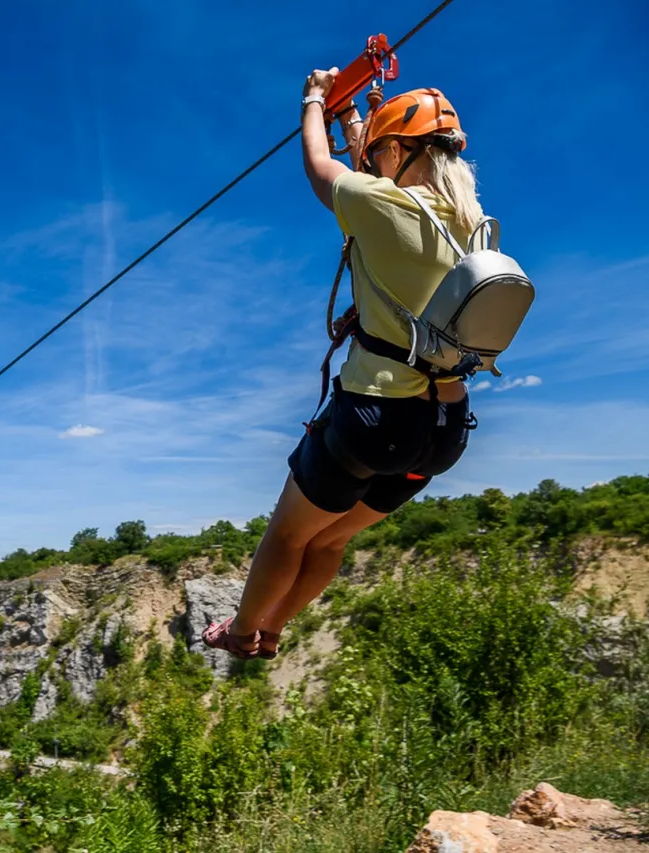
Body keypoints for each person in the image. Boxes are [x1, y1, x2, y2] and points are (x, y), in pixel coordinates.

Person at [203, 68, 482, 659]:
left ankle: (244, 631)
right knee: (328, 544)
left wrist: (313, 101)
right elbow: (376, 179)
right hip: (444, 432)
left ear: (402, 151)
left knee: (289, 534)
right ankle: (275, 631)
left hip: (376, 422)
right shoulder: (472, 222)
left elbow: (319, 166)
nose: (373, 160)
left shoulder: (376, 202)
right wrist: (356, 119)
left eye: (382, 150)